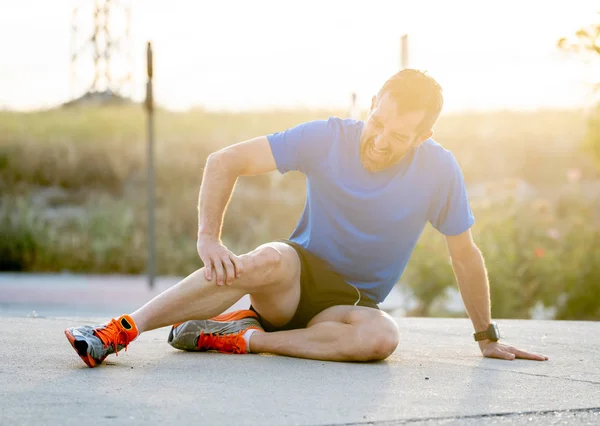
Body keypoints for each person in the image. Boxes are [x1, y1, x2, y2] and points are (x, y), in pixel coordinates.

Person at [65, 69, 548, 368]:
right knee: (266, 259)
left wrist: (486, 337)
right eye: (377, 123)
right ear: (372, 105)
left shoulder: (439, 169)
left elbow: (464, 256)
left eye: (398, 136)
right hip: (292, 278)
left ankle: (239, 337)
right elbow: (223, 161)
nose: (379, 140)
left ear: (422, 137)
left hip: (348, 305)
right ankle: (115, 332)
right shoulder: (328, 137)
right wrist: (208, 239)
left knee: (383, 337)